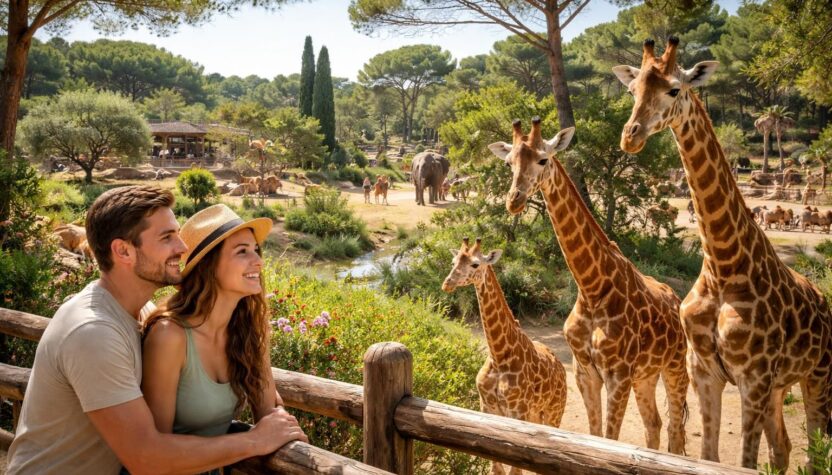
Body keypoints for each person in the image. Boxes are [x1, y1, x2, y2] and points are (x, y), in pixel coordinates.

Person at [7, 186, 304, 475]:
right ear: (123, 251)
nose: (183, 247)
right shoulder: (94, 332)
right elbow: (146, 460)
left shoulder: (141, 312)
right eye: (167, 237)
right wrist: (254, 439)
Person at [141, 204, 306, 473]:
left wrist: (283, 427)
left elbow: (268, 411)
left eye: (256, 250)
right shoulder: (170, 336)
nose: (258, 261)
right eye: (242, 252)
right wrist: (253, 440)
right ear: (208, 265)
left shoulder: (250, 329)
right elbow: (154, 452)